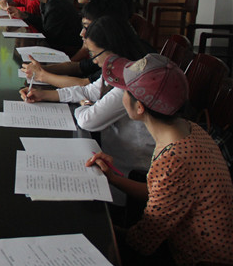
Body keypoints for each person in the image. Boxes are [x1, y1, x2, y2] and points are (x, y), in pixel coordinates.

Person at [87, 54, 233, 266]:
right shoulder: (186, 129)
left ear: (139, 107)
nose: (120, 94)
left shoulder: (175, 158)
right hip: (191, 242)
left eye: (124, 91)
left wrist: (104, 230)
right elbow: (159, 193)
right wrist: (113, 178)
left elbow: (143, 242)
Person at [20, 16, 154, 199]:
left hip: (133, 163)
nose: (94, 61)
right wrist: (45, 95)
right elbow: (89, 90)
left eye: (94, 54)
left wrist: (86, 105)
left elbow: (88, 121)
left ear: (112, 48)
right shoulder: (119, 67)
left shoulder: (130, 79)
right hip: (113, 145)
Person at [21, 0, 136, 87]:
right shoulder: (108, 47)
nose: (82, 33)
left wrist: (42, 75)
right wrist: (41, 69)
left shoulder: (120, 57)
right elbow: (78, 67)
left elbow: (85, 85)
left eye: (87, 27)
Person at [6, 0, 82, 57]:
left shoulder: (55, 5)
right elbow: (45, 24)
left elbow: (48, 37)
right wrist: (24, 15)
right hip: (56, 45)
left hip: (66, 51)